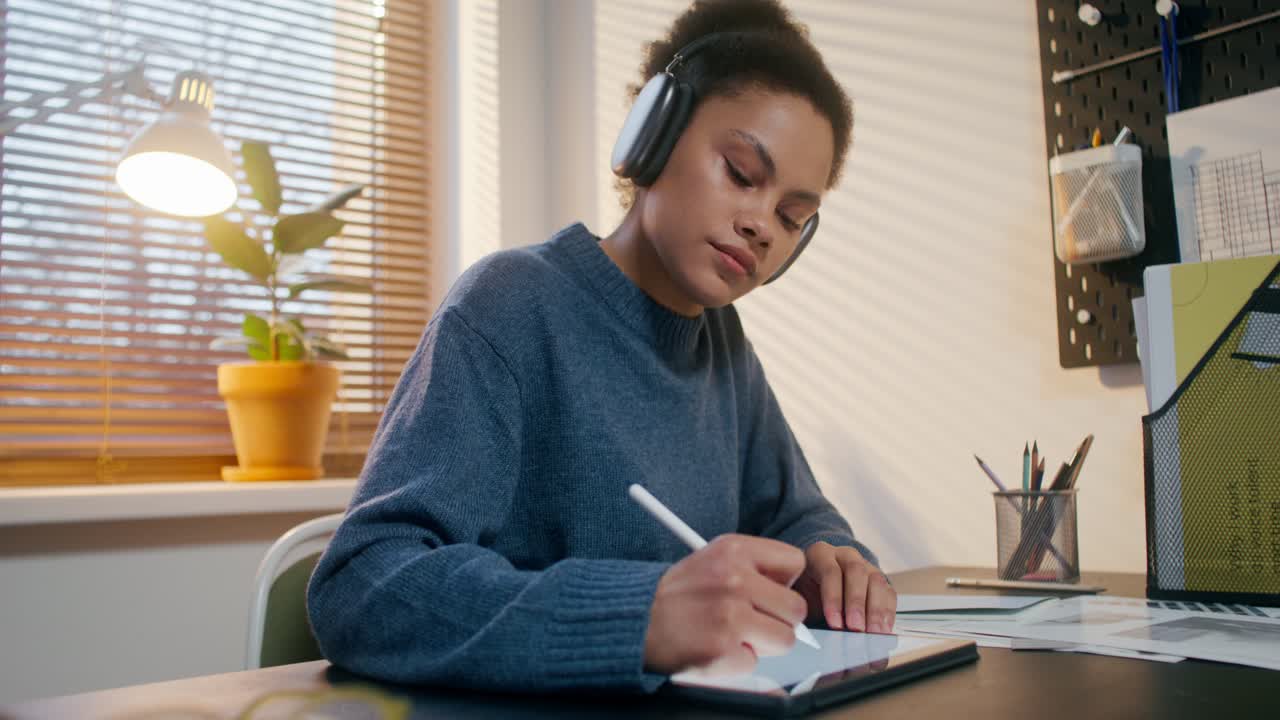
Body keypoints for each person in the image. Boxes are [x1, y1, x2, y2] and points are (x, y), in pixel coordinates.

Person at [307, 0, 897, 694]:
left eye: (793, 216)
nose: (763, 226)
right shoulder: (511, 304)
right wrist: (637, 619)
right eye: (741, 173)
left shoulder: (723, 346)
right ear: (653, 136)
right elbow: (365, 584)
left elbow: (796, 514)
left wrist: (833, 560)